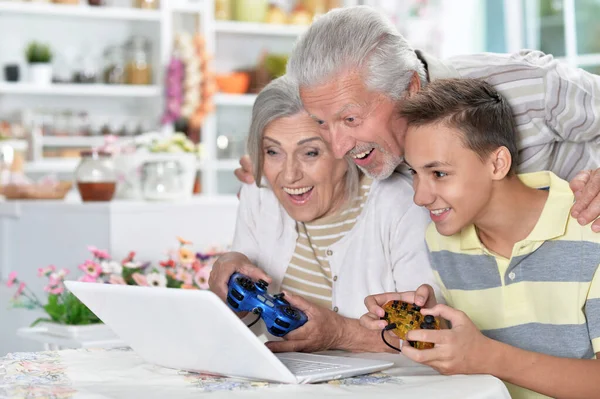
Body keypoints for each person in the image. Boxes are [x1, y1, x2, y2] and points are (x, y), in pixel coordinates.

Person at [234, 5, 600, 232]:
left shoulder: (528, 87)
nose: (339, 146)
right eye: (321, 122)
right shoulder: (367, 142)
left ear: (409, 88)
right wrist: (276, 165)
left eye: (350, 119)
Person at [360, 78, 600, 399]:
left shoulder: (591, 227)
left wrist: (487, 356)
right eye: (415, 173)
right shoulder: (442, 241)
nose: (419, 196)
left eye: (439, 174)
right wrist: (431, 325)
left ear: (497, 163)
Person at [208, 76, 438, 353]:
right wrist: (228, 279)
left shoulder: (402, 206)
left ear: (345, 150)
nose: (290, 175)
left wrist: (341, 333)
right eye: (273, 151)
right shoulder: (259, 194)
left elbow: (431, 338)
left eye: (310, 152)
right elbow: (242, 316)